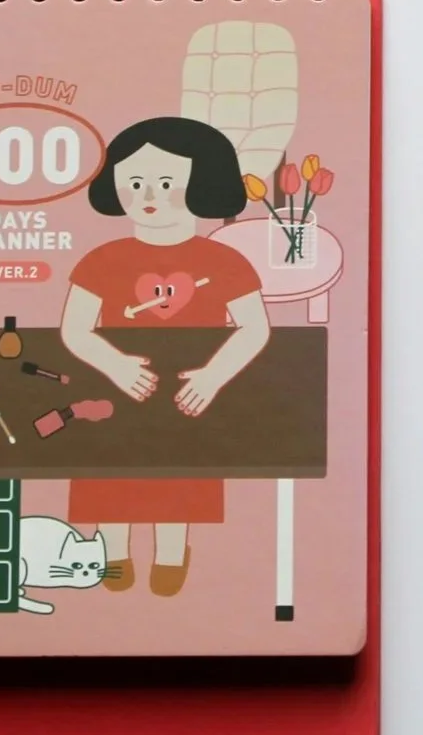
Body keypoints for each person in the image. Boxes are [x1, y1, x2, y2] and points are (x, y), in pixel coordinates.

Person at [58, 116, 268, 596]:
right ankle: (113, 553)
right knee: (109, 478)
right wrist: (114, 363)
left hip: (185, 396)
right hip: (113, 397)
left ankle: (172, 554)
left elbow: (255, 327)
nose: (149, 194)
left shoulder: (226, 263)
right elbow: (74, 327)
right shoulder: (100, 261)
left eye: (167, 181)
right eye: (135, 181)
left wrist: (213, 376)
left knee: (179, 480)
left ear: (204, 182)